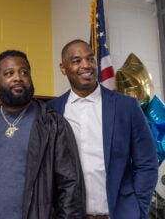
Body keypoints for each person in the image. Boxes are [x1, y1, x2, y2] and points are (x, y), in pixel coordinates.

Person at [48, 39, 158, 219]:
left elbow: (147, 162)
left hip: (119, 214)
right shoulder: (52, 110)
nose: (86, 65)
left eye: (90, 59)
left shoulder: (126, 106)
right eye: (77, 61)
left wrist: (138, 209)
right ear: (63, 68)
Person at [0, 49, 86, 218]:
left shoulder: (52, 123)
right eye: (9, 73)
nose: (18, 77)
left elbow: (70, 187)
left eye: (24, 72)